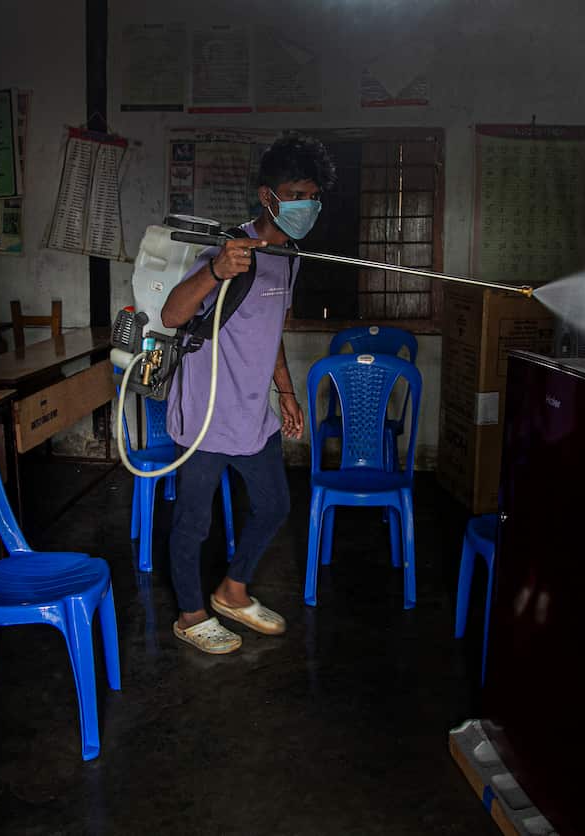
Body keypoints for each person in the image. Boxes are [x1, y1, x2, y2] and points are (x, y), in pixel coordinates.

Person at [159, 133, 336, 655]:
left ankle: (231, 591)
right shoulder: (228, 248)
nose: (306, 206)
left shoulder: (291, 258)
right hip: (207, 413)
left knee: (275, 504)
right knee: (194, 521)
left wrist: (286, 391)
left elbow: (270, 331)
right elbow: (172, 315)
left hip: (252, 413)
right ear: (268, 197)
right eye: (296, 194)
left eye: (312, 195)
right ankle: (191, 615)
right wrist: (216, 270)